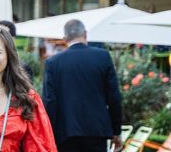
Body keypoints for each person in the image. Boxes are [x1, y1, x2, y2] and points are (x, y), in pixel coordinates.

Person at [43, 19, 122, 152]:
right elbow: (114, 97)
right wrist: (116, 131)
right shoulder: (102, 56)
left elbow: (50, 101)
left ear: (65, 38)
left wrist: (49, 136)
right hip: (97, 131)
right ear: (85, 34)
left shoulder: (53, 63)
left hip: (65, 133)